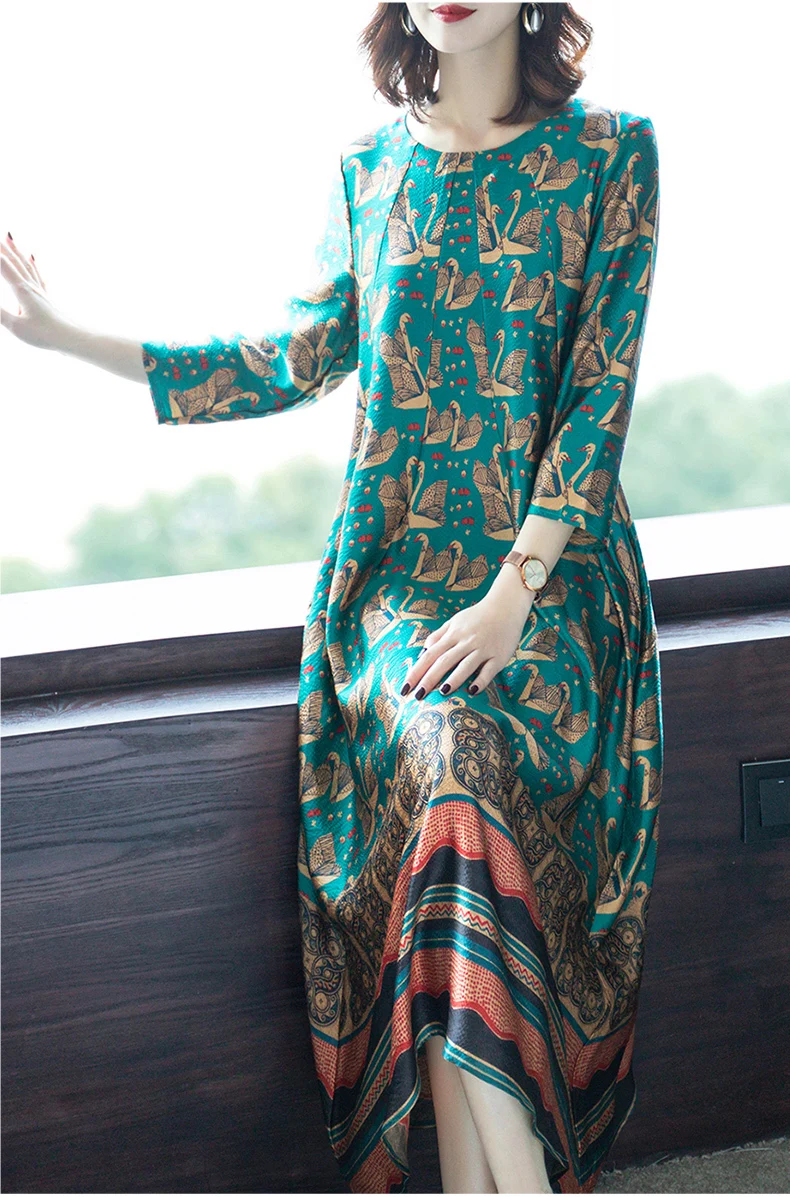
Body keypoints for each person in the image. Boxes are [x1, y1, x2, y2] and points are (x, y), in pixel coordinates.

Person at [1, 2, 664, 1191]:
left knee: (461, 779)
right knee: (446, 766)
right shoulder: (370, 172)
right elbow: (290, 361)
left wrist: (514, 592)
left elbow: (596, 393)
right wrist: (66, 338)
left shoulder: (612, 151)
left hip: (552, 584)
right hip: (396, 586)